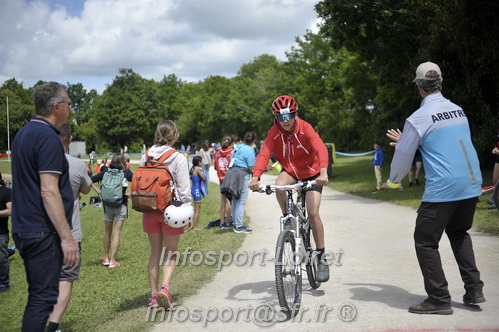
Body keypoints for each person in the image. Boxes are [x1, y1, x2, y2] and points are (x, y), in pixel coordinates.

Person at [383, 62, 484, 315]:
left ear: (418, 85)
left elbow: (405, 154)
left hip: (444, 188)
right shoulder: (458, 110)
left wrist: (394, 181)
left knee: (425, 241)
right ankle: (474, 289)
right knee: (459, 233)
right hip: (471, 184)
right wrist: (409, 140)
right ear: (440, 82)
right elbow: (442, 145)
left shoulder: (418, 118)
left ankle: (439, 299)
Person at [11, 82, 79, 331]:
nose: (71, 107)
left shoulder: (24, 133)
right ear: (56, 106)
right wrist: (67, 238)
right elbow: (48, 190)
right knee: (42, 300)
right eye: (69, 103)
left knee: (37, 297)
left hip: (23, 227)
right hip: (42, 230)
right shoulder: (48, 137)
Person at [249, 95, 330, 282]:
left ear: (295, 114)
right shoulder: (273, 133)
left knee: (312, 212)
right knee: (279, 185)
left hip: (312, 172)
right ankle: (287, 216)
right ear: (275, 118)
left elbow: (320, 148)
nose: (285, 121)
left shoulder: (305, 128)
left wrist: (323, 172)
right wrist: (255, 177)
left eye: (288, 116)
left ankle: (321, 257)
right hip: (292, 171)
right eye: (280, 117)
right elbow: (263, 154)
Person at [140, 120, 193, 309]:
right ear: (174, 135)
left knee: (154, 252)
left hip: (149, 209)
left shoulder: (145, 155)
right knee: (171, 252)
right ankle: (165, 288)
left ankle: (153, 296)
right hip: (171, 211)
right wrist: (188, 211)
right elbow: (184, 189)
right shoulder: (178, 157)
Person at [46, 124, 92, 332]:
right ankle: (53, 325)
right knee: (65, 279)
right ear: (70, 139)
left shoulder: (39, 162)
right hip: (70, 232)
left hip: (41, 231)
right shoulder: (76, 164)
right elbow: (86, 188)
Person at [91, 153, 133, 268]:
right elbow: (139, 182)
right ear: (123, 161)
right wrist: (130, 194)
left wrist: (100, 193)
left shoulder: (105, 171)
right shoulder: (126, 172)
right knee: (117, 233)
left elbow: (89, 181)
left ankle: (106, 257)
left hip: (107, 205)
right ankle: (113, 260)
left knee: (107, 232)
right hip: (120, 204)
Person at [222, 132, 257, 233]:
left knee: (235, 199)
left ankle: (236, 224)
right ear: (253, 141)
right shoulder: (250, 150)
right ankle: (239, 226)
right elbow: (251, 166)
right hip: (242, 174)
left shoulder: (237, 147)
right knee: (241, 201)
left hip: (231, 173)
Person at [214, 135, 234, 229]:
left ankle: (222, 222)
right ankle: (228, 222)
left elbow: (215, 167)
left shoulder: (217, 153)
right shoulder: (232, 153)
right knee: (229, 201)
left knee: (222, 201)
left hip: (221, 180)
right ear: (232, 143)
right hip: (229, 179)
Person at [0, 173, 12, 293]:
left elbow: (10, 210)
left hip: (1, 231)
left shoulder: (6, 192)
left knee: (2, 258)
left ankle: (3, 282)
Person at [190, 156, 206, 230]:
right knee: (197, 209)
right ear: (199, 162)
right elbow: (204, 178)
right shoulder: (197, 169)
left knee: (197, 208)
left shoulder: (193, 168)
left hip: (195, 189)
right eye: (201, 161)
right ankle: (195, 226)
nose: (202, 163)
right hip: (196, 190)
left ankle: (195, 225)